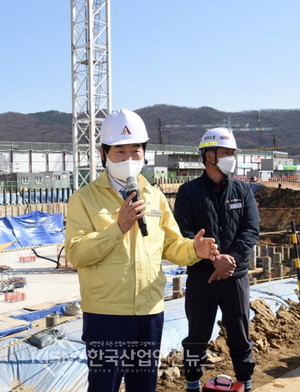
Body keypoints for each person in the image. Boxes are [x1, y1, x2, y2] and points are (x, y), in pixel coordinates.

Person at [65, 108, 219, 392]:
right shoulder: (84, 199)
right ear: (104, 154)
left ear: (145, 153)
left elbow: (171, 245)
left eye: (135, 151)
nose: (128, 159)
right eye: (119, 152)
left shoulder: (154, 195)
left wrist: (194, 250)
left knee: (144, 385)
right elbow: (75, 253)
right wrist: (118, 228)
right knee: (103, 385)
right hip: (106, 314)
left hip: (149, 311)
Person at [174, 127, 259, 392]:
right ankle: (191, 383)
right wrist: (213, 259)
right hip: (202, 277)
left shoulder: (243, 190)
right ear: (208, 155)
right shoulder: (188, 192)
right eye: (224, 152)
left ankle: (245, 381)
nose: (229, 157)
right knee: (197, 335)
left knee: (240, 333)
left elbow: (251, 228)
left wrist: (229, 259)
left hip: (235, 275)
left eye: (232, 153)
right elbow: (185, 232)